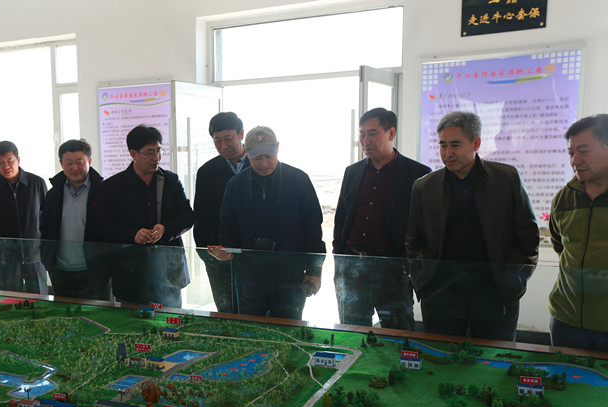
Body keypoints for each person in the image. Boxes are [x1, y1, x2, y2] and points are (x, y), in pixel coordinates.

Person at [405, 111, 539, 341]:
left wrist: (514, 281)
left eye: (455, 145)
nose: (448, 153)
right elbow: (413, 240)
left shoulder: (506, 178)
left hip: (495, 294)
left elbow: (528, 236)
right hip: (441, 295)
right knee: (441, 355)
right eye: (443, 145)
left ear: (476, 143)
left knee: (495, 357)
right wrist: (423, 281)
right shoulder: (424, 186)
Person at [333, 108, 430, 330]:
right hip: (353, 268)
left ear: (391, 133)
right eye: (362, 134)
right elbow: (341, 219)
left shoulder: (417, 173)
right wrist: (340, 258)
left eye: (372, 133)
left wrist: (409, 264)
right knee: (353, 333)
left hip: (394, 270)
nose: (365, 140)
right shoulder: (352, 172)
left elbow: (424, 226)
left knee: (398, 334)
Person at [218, 126, 325, 320]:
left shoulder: (299, 180)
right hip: (248, 276)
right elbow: (228, 227)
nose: (264, 163)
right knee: (251, 329)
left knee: (288, 331)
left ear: (277, 148)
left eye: (268, 156)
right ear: (247, 154)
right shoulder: (236, 185)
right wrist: (227, 250)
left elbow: (313, 229)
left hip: (290, 275)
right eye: (257, 158)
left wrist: (314, 271)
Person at [93, 125, 194, 308]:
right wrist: (133, 235)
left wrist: (165, 229)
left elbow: (187, 216)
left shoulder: (171, 181)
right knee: (133, 321)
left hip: (168, 272)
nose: (157, 158)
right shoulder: (112, 187)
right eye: (150, 152)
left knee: (170, 321)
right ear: (133, 154)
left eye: (159, 151)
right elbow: (102, 226)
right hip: (130, 272)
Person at [548, 114, 608, 350]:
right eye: (571, 153)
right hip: (567, 318)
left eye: (584, 151)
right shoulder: (564, 197)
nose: (575, 161)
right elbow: (560, 246)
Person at [40, 139, 110, 301]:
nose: (75, 168)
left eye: (80, 162)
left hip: (95, 270)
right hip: (61, 270)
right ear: (61, 164)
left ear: (89, 162)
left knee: (98, 313)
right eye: (69, 163)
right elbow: (45, 229)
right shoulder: (53, 194)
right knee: (64, 312)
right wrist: (48, 260)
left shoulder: (104, 191)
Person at [193, 112, 249, 313]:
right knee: (226, 310)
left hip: (254, 255)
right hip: (218, 255)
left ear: (241, 134)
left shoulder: (260, 165)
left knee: (256, 313)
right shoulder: (207, 172)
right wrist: (207, 252)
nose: (224, 146)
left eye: (228, 139)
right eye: (218, 141)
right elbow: (201, 216)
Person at [0, 141, 48, 294]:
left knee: (39, 295)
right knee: (9, 295)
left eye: (10, 161)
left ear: (18, 159)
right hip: (6, 255)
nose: (6, 166)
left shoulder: (36, 183)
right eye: (0, 162)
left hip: (35, 253)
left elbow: (47, 214)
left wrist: (41, 239)